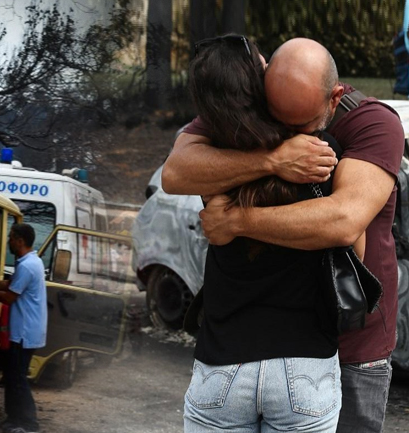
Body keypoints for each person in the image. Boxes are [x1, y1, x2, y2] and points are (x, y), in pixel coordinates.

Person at [164, 37, 404, 433]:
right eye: (277, 116)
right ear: (265, 85)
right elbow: (176, 173)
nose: (288, 132)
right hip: (283, 356)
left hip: (355, 348)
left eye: (302, 124)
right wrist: (271, 159)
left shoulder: (373, 123)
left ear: (334, 98)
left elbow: (344, 222)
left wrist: (239, 221)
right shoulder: (257, 107)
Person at [0, 223, 47, 433]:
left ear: (20, 240)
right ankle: (14, 419)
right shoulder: (32, 261)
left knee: (17, 379)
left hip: (24, 332)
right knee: (12, 376)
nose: (9, 241)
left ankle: (29, 423)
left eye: (12, 237)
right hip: (27, 330)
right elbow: (10, 284)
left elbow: (9, 297)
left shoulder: (26, 266)